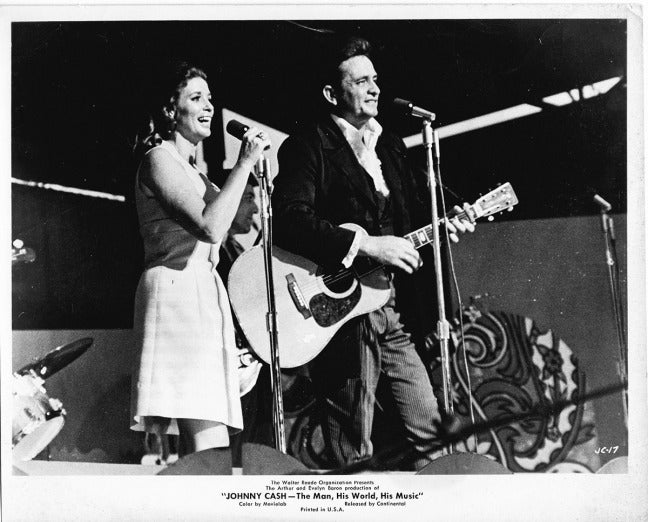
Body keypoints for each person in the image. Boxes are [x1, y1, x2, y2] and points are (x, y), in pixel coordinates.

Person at [272, 36, 474, 470]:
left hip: (390, 307)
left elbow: (413, 219)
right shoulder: (308, 145)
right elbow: (288, 217)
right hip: (340, 313)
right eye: (361, 80)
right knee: (353, 447)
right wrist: (365, 243)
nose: (375, 88)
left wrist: (447, 221)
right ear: (332, 94)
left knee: (433, 434)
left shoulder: (391, 147)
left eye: (375, 79)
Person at [130, 62, 271, 459]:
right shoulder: (159, 159)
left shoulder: (200, 177)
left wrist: (256, 181)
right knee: (208, 443)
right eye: (196, 98)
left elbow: (230, 225)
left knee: (208, 444)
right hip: (176, 294)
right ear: (170, 110)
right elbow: (210, 228)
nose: (208, 107)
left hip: (202, 295)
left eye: (210, 98)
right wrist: (243, 164)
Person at [214, 169, 273, 466]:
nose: (256, 207)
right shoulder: (213, 256)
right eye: (249, 198)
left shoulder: (236, 250)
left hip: (246, 374)